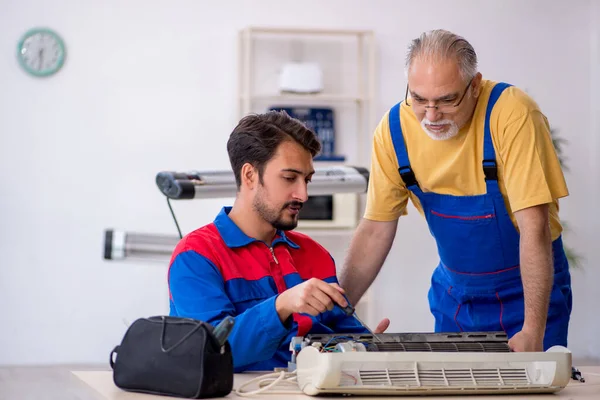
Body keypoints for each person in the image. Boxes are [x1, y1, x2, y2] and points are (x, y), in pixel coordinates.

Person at [339, 29, 572, 353]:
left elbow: (534, 227)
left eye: (447, 100)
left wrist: (534, 329)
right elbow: (376, 229)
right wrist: (338, 315)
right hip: (456, 298)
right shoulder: (393, 131)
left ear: (474, 85)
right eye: (419, 99)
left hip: (529, 293)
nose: (431, 116)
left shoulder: (512, 114)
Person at [168, 110, 390, 372]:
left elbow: (342, 334)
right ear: (249, 175)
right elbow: (214, 351)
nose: (303, 194)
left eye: (306, 180)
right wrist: (281, 306)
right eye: (289, 178)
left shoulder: (314, 254)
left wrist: (365, 348)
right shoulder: (195, 256)